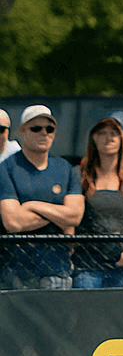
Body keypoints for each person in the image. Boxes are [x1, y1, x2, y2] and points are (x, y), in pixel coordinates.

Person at [0, 105, 83, 289]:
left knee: (57, 318)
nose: (44, 133)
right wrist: (58, 216)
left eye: (49, 128)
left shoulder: (66, 168)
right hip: (14, 268)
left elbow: (75, 216)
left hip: (56, 268)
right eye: (36, 128)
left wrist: (30, 205)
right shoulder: (6, 168)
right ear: (21, 131)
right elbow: (13, 223)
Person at [73, 117, 123, 288]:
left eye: (114, 133)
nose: (109, 138)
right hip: (86, 267)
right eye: (102, 133)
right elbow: (71, 216)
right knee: (88, 314)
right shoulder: (79, 175)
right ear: (94, 138)